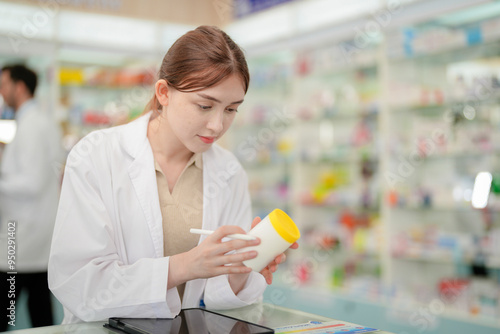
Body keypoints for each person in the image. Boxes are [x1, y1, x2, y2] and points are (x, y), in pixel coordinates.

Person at [48, 25, 298, 324]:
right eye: (205, 105)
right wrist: (185, 266)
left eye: (231, 109)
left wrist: (239, 271)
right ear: (164, 93)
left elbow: (217, 301)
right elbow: (80, 286)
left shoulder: (228, 171)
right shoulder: (95, 156)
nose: (217, 125)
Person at [0, 64, 63, 329]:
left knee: (9, 301)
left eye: (4, 85)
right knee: (39, 306)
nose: (1, 93)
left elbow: (32, 182)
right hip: (33, 231)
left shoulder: (33, 125)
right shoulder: (35, 121)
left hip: (23, 233)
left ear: (20, 86)